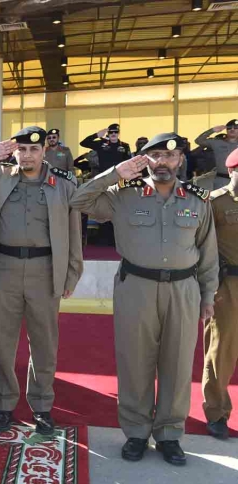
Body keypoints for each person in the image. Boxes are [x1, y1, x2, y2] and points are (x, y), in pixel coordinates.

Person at [69, 133, 218, 466]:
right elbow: (79, 200)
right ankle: (136, 432)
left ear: (180, 160)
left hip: (183, 289)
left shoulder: (197, 199)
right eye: (155, 156)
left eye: (170, 156)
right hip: (136, 286)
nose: (163, 162)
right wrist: (114, 174)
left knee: (178, 363)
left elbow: (208, 252)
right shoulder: (123, 194)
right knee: (135, 361)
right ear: (143, 159)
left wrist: (208, 295)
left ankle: (169, 434)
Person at [0, 127, 83, 436]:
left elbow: (74, 231)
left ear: (45, 151)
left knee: (44, 342)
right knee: (2, 341)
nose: (27, 155)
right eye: (21, 149)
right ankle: (4, 404)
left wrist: (72, 272)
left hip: (45, 268)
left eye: (34, 149)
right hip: (3, 267)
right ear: (14, 151)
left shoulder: (63, 184)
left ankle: (42, 406)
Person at [201, 147, 238, 440]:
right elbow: (201, 245)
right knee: (221, 350)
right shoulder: (215, 202)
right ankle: (216, 412)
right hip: (228, 286)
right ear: (233, 170)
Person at [194, 120, 238, 190]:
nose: (232, 129)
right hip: (221, 179)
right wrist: (212, 130)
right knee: (219, 197)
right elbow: (198, 140)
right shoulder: (217, 142)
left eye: (236, 127)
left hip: (237, 180)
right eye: (229, 128)